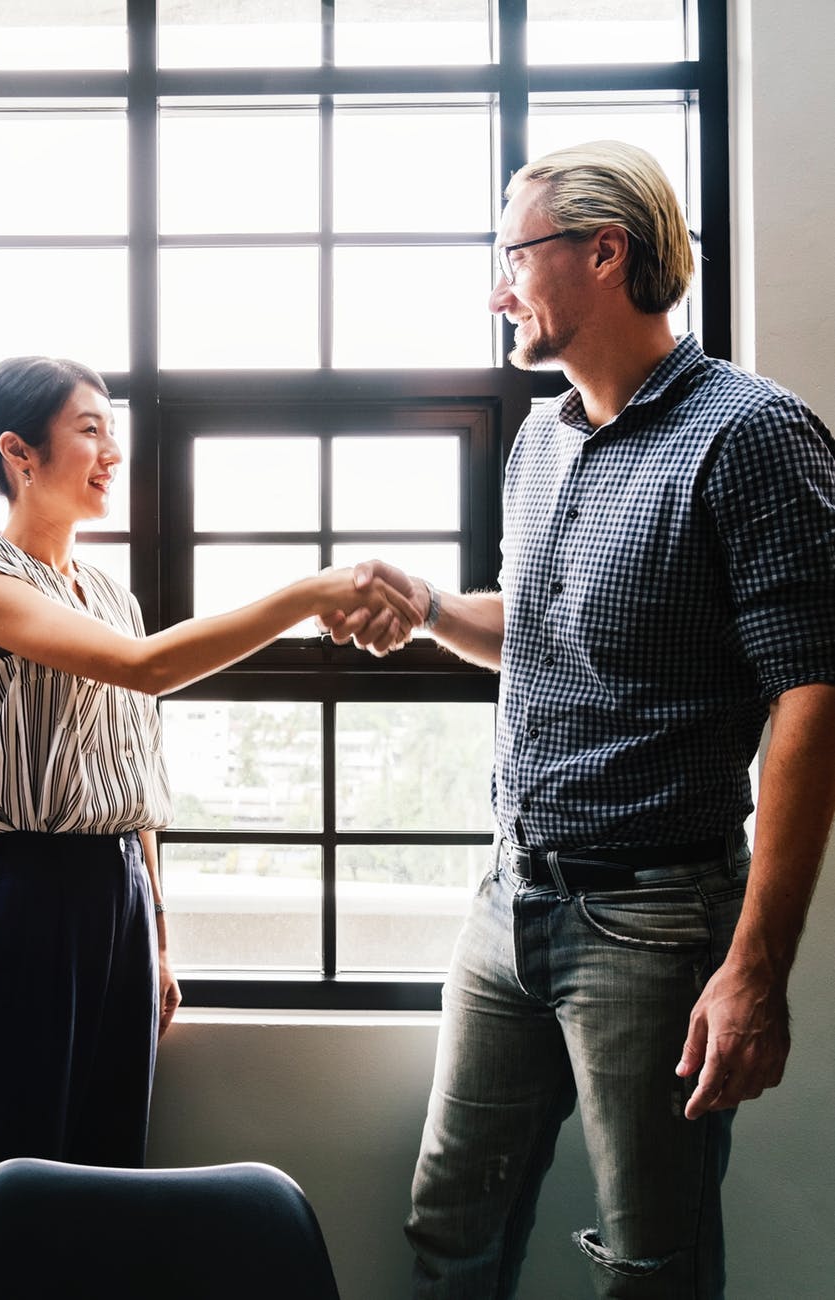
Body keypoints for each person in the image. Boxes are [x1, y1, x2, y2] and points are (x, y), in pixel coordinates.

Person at [322, 141, 835, 1298]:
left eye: (512, 256)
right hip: (508, 902)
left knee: (650, 1262)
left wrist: (755, 969)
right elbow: (551, 627)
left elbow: (813, 693)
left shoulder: (751, 435)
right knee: (448, 1230)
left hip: (654, 921)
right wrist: (433, 610)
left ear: (604, 253)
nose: (496, 287)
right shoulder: (541, 437)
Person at [0, 354, 421, 1197]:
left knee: (108, 1169)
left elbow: (132, 770)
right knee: (16, 1181)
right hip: (24, 903)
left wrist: (156, 933)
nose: (111, 451)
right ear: (19, 453)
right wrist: (305, 594)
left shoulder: (107, 593)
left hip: (115, 895)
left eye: (110, 430)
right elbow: (146, 670)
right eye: (89, 430)